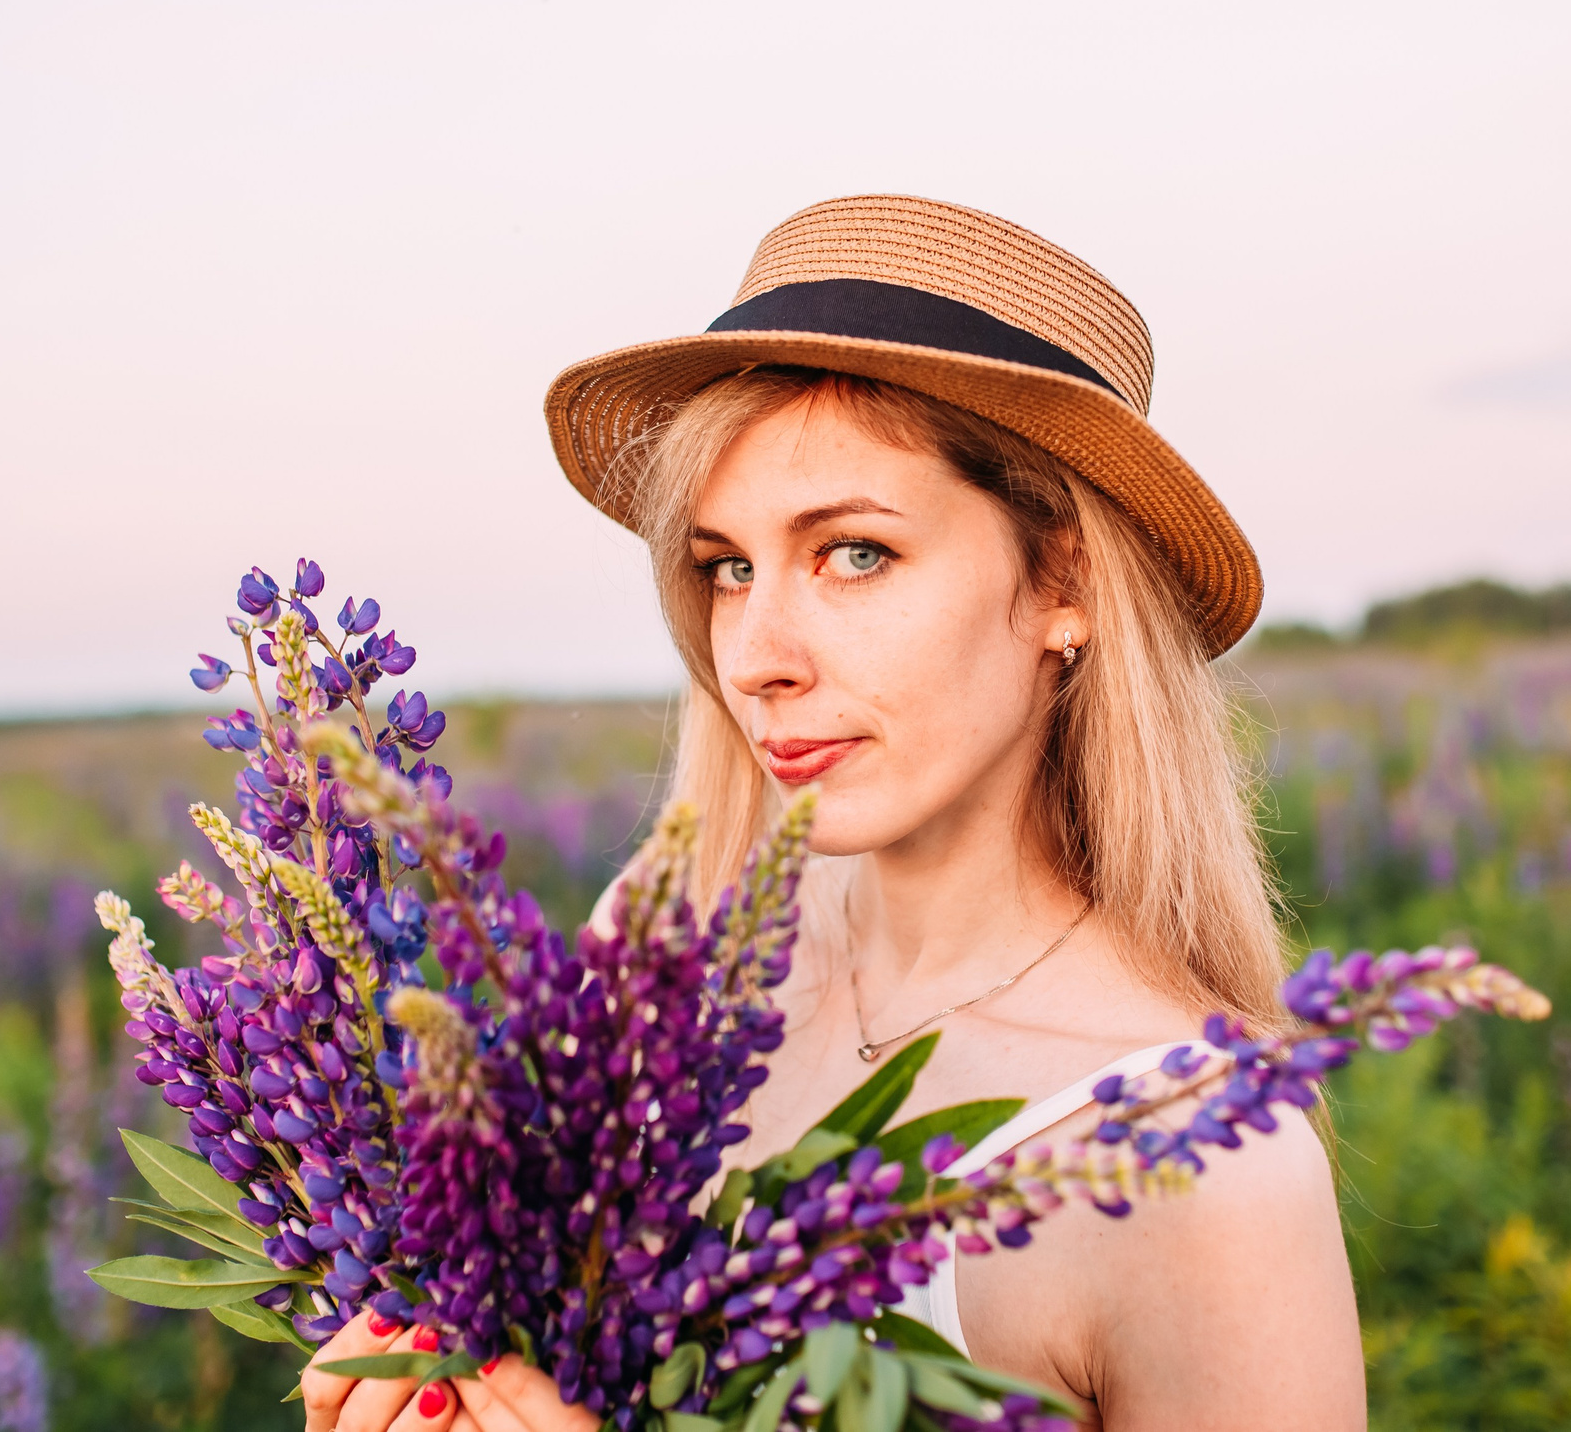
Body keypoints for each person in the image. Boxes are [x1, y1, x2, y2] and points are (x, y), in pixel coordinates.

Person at [303, 196, 1364, 1431]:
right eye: (726, 567)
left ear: (1063, 580)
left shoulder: (1194, 1154)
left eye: (853, 553)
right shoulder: (667, 938)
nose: (756, 657)